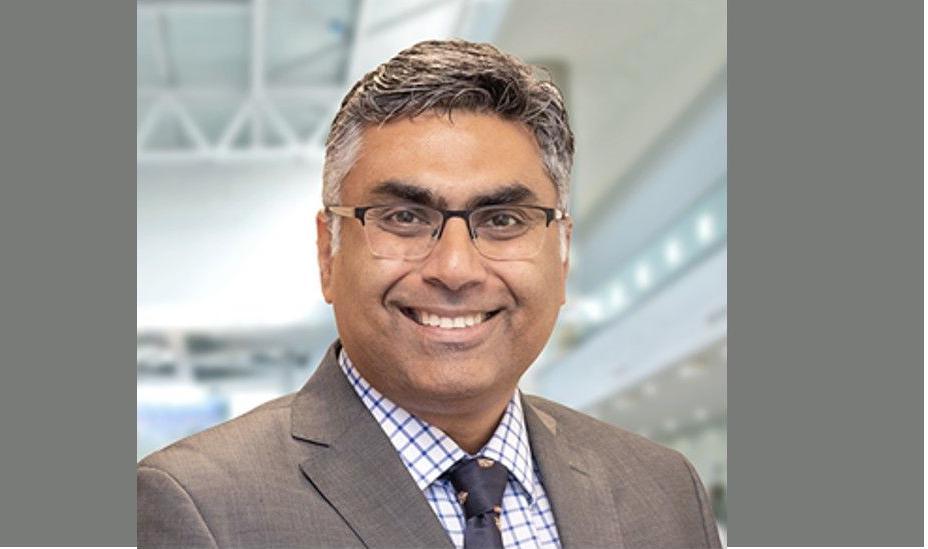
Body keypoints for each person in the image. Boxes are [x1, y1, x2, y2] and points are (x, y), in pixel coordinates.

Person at [137, 39, 722, 549]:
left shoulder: (663, 492)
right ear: (328, 252)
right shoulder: (200, 507)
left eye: (503, 220)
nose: (455, 268)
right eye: (404, 217)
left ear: (561, 253)